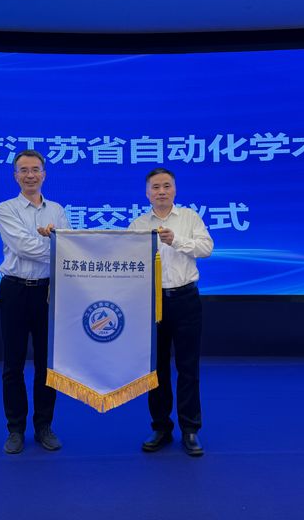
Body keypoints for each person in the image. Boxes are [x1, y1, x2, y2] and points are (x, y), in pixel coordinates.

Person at [128, 167, 214, 456]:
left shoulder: (189, 217)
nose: (161, 191)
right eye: (156, 187)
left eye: (166, 186)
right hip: (151, 302)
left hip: (185, 299)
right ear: (147, 193)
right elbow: (124, 259)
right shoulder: (139, 224)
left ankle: (190, 429)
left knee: (188, 367)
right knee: (156, 369)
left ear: (175, 190)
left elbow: (206, 248)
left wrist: (175, 240)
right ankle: (161, 428)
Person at [0, 149, 69, 454]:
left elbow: (70, 249)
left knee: (47, 364)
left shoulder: (57, 210)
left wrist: (58, 242)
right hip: (15, 290)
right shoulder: (5, 208)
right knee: (13, 363)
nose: (30, 175)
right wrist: (53, 242)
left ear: (44, 174)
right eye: (23, 170)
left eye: (35, 169)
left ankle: (43, 426)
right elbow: (23, 247)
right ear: (15, 176)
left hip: (48, 291)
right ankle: (15, 429)